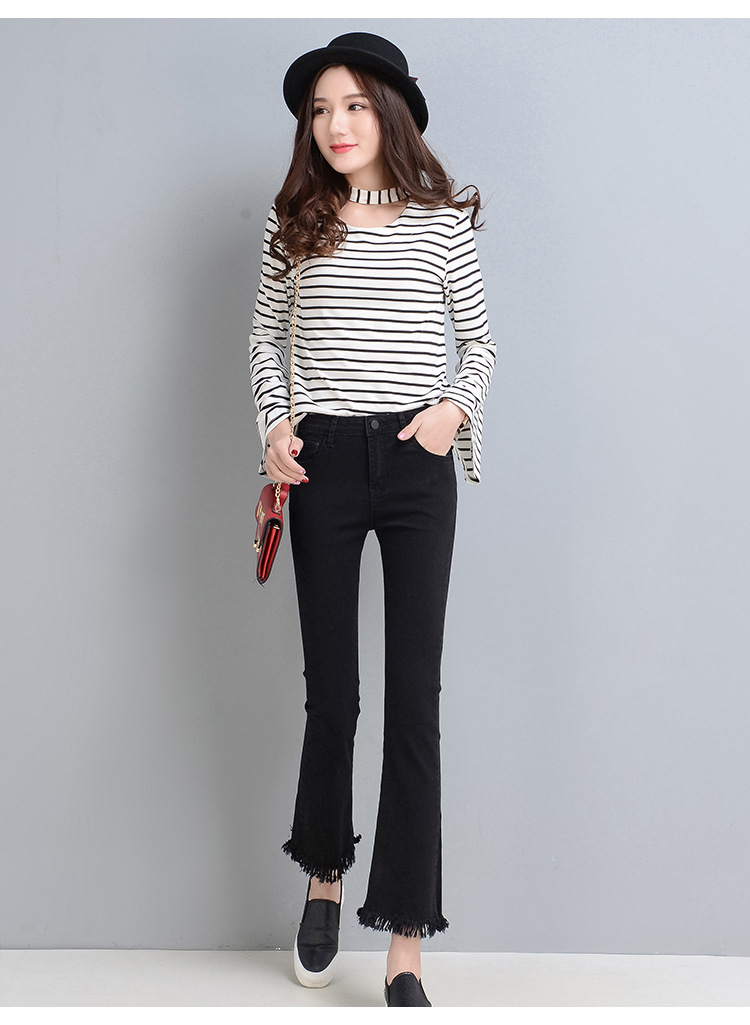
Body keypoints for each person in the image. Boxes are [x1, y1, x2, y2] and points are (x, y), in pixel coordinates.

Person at [248, 32, 496, 1008]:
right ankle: (322, 874)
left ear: (389, 111)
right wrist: (275, 427)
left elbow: (480, 342)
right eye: (320, 109)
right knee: (334, 692)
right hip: (323, 464)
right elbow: (265, 339)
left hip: (416, 462)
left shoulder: (442, 224)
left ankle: (405, 938)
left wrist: (451, 413)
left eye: (352, 104)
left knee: (414, 698)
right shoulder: (297, 224)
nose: (335, 125)